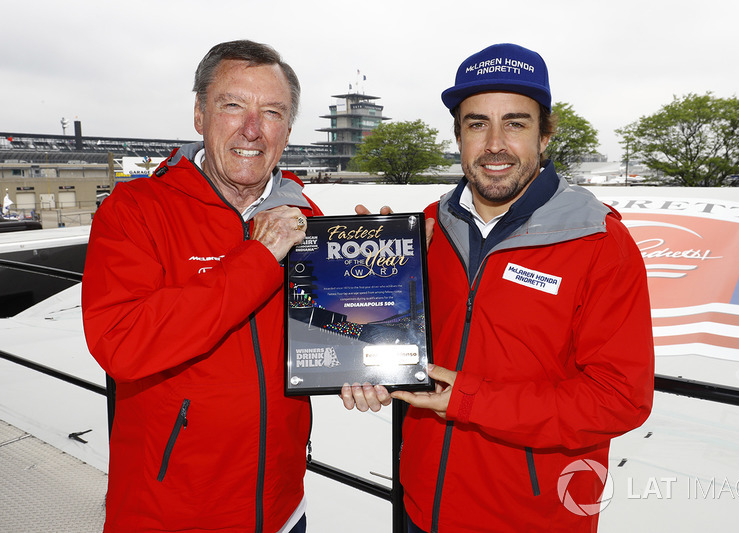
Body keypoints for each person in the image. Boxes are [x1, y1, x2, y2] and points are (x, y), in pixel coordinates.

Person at [343, 43, 655, 532]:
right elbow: (386, 338)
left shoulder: (600, 241)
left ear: (545, 135)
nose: (494, 143)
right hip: (420, 505)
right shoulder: (425, 229)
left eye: (515, 122)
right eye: (476, 124)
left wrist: (469, 400)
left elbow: (619, 399)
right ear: (459, 137)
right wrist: (367, 293)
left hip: (532, 518)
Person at [82, 40, 322, 532]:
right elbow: (123, 342)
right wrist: (258, 258)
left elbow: (330, 334)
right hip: (171, 513)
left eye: (271, 112)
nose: (252, 129)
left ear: (288, 131)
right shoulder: (136, 211)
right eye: (233, 105)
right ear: (199, 114)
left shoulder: (305, 218)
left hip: (281, 506)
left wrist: (390, 274)